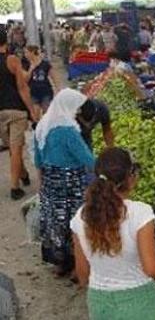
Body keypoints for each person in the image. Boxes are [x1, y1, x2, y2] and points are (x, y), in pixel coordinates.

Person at [72, 147, 155, 320]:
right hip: (140, 304)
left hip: (99, 303)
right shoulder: (140, 214)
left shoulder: (81, 216)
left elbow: (82, 273)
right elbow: (152, 268)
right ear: (131, 178)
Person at [33, 89, 95, 276]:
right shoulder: (68, 131)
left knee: (54, 220)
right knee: (75, 222)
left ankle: (60, 264)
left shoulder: (42, 126)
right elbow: (87, 159)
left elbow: (37, 160)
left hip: (50, 181)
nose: (77, 114)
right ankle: (78, 268)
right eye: (76, 109)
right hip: (71, 183)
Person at [1, 30, 38, 199]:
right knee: (15, 150)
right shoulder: (12, 60)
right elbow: (22, 88)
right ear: (6, 41)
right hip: (16, 110)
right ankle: (15, 188)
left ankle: (23, 176)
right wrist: (31, 110)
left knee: (11, 148)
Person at [22, 45, 56, 115]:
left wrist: (57, 88)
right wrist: (30, 69)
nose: (25, 55)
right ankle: (37, 125)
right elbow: (26, 80)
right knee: (36, 113)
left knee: (46, 112)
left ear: (32, 52)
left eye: (27, 52)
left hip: (45, 91)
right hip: (33, 92)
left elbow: (53, 76)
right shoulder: (26, 65)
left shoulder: (45, 64)